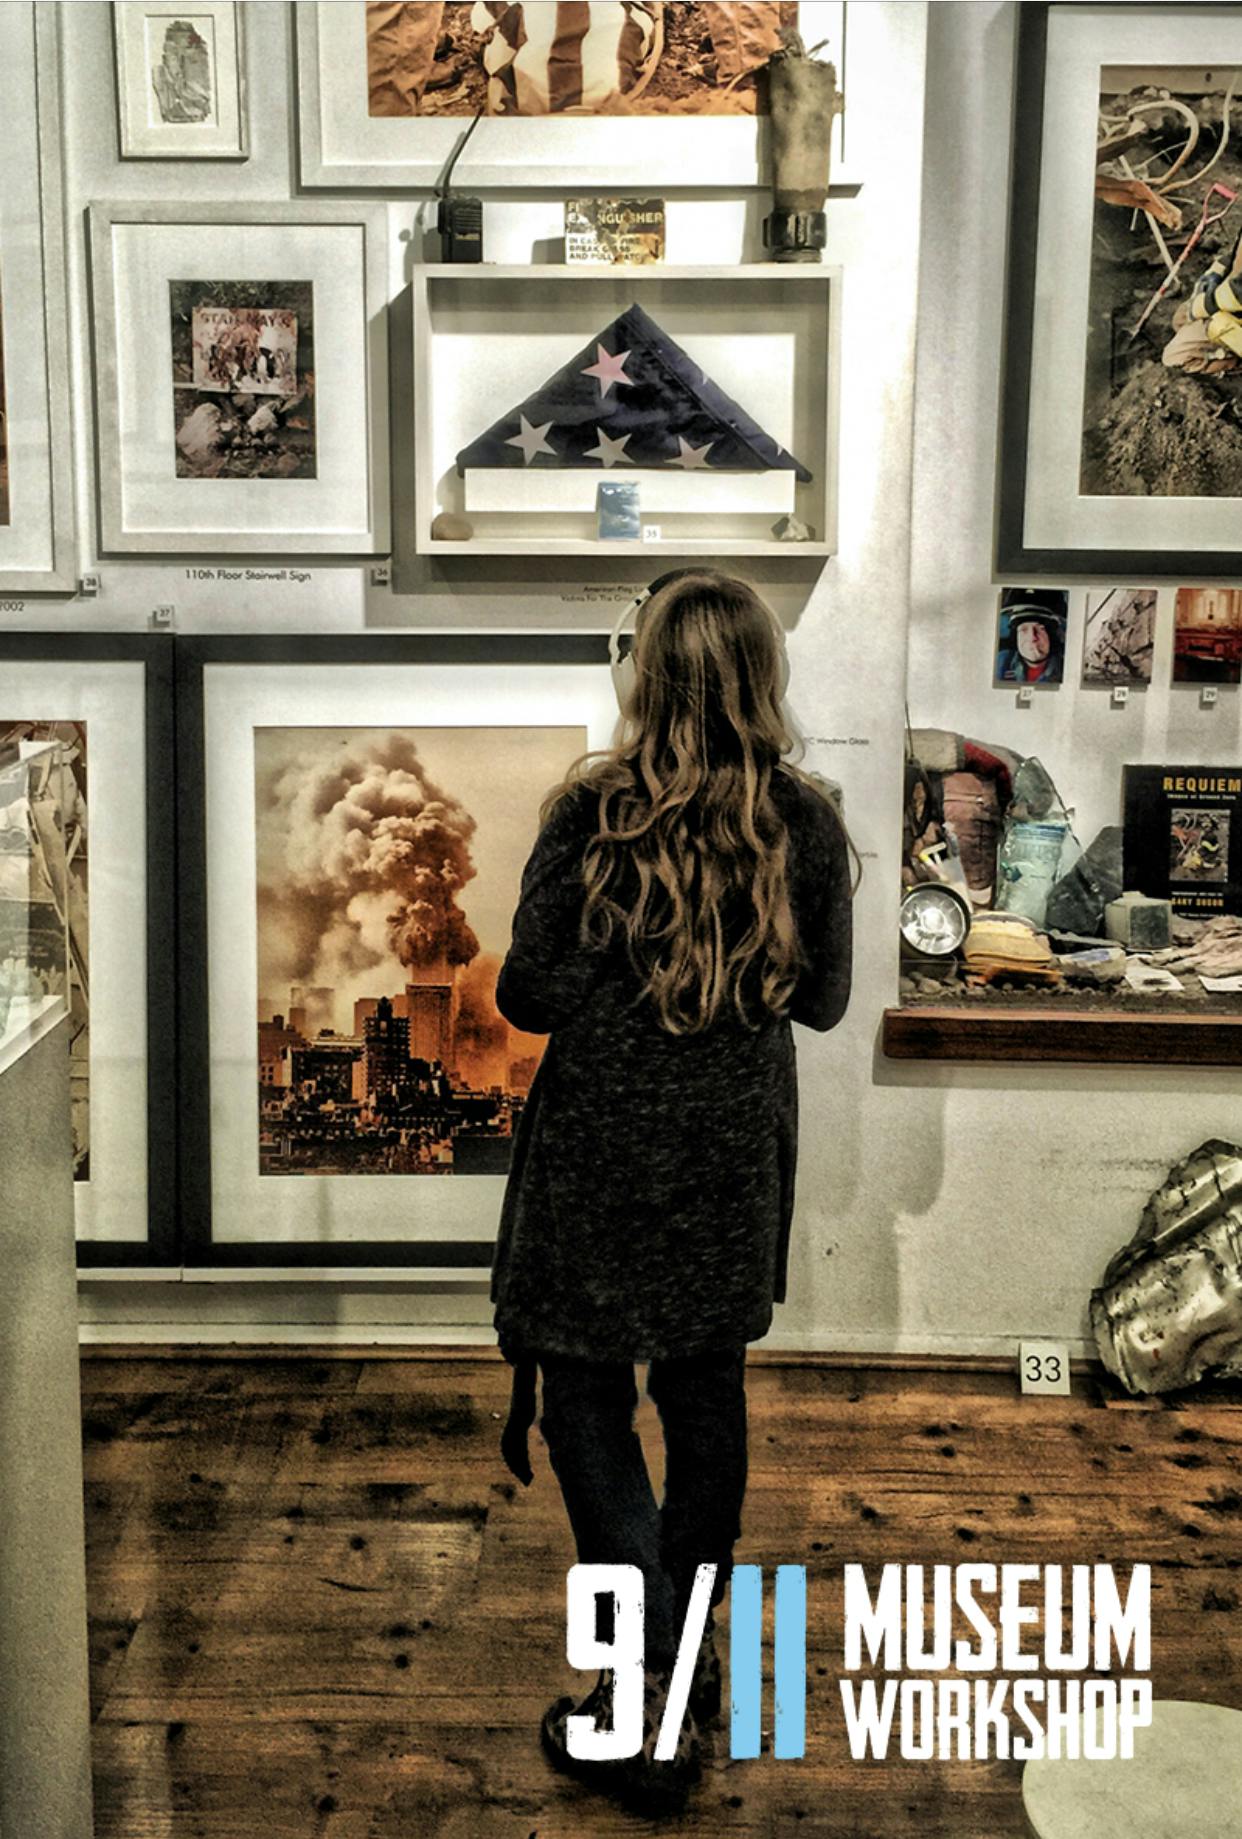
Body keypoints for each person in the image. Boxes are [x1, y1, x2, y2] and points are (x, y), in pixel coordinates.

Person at [488, 569, 856, 1810]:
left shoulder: (591, 814)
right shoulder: (802, 822)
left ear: (644, 673)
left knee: (586, 1408)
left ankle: (639, 1693)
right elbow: (823, 1000)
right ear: (764, 675)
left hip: (598, 1151)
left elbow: (527, 997)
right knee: (704, 1405)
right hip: (726, 1156)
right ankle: (680, 1669)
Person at [998, 604, 1065, 684]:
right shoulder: (1001, 662)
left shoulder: (1065, 667)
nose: (1032, 637)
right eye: (1023, 629)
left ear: (1052, 636)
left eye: (1041, 629)